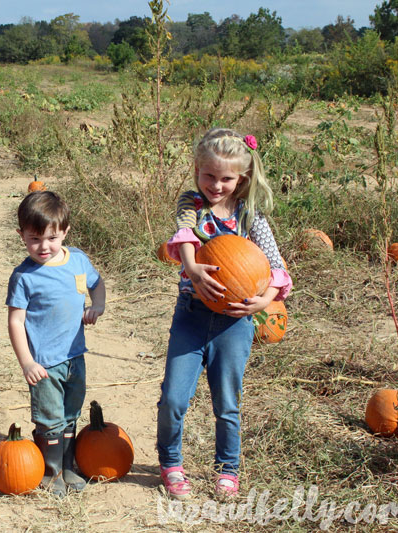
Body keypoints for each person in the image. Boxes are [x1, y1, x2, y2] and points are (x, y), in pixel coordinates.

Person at [157, 128, 292, 501]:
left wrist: (264, 301)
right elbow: (184, 234)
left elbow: (277, 268)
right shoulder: (193, 205)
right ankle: (170, 463)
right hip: (192, 314)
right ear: (197, 170)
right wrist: (192, 267)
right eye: (208, 175)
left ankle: (227, 469)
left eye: (226, 178)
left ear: (242, 177)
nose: (216, 185)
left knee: (227, 402)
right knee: (173, 398)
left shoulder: (250, 215)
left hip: (235, 322)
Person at [6, 191, 106, 496]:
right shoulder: (24, 276)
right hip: (45, 364)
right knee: (49, 420)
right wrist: (27, 362)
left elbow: (97, 283)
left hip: (75, 356)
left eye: (51, 238)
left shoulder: (77, 260)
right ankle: (51, 474)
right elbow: (16, 322)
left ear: (64, 232)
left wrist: (97, 305)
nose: (44, 246)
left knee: (69, 414)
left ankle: (68, 467)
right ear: (21, 235)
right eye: (34, 239)